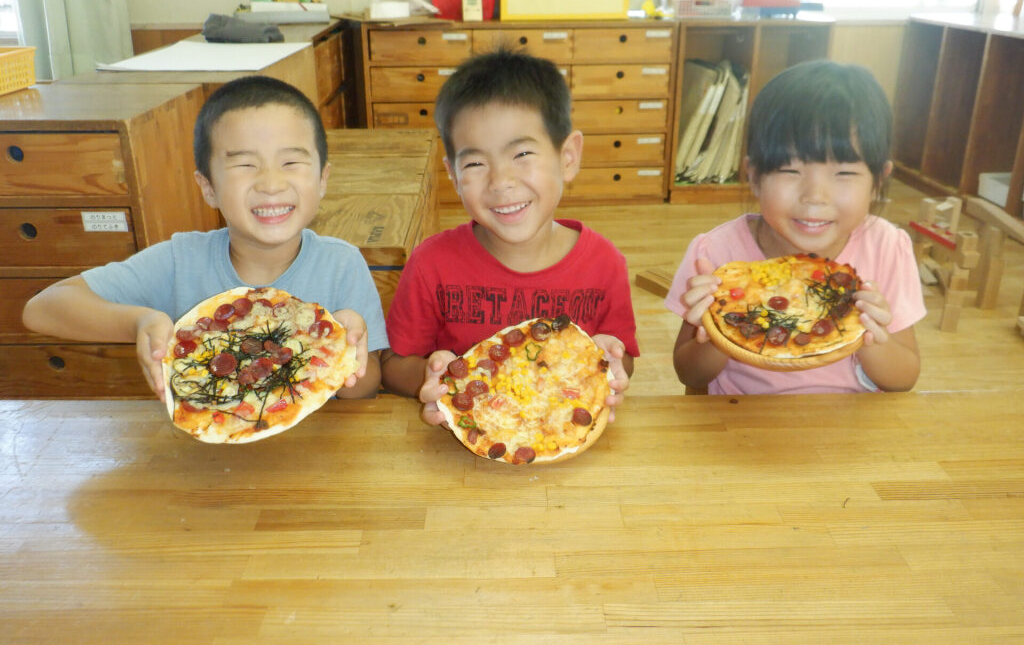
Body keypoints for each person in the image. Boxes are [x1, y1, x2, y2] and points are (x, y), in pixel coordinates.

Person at [22, 75, 386, 400]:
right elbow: (42, 309)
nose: (271, 183)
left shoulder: (342, 263)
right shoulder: (180, 260)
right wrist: (138, 322)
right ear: (208, 187)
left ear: (322, 179)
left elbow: (368, 388)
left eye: (291, 163)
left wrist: (345, 346)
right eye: (245, 164)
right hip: (200, 459)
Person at [381, 48, 638, 423]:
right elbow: (393, 364)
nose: (501, 182)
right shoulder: (430, 263)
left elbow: (624, 359)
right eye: (475, 163)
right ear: (452, 176)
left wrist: (610, 360)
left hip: (562, 435)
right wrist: (430, 376)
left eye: (521, 154)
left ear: (568, 157)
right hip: (461, 447)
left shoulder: (605, 263)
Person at [667, 60, 924, 395]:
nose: (815, 197)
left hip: (850, 431)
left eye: (844, 173)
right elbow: (689, 375)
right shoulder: (714, 255)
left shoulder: (888, 247)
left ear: (878, 182)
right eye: (789, 170)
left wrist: (869, 335)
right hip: (740, 426)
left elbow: (904, 379)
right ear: (755, 176)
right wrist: (720, 329)